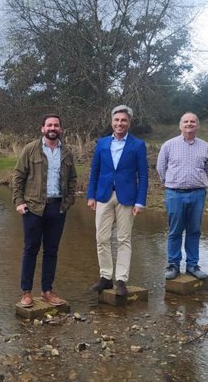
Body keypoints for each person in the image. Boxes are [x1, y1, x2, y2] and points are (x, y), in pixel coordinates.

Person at [13, 114, 77, 307]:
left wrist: (69, 200)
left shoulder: (66, 152)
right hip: (33, 208)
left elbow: (73, 179)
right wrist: (19, 201)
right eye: (49, 125)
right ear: (42, 128)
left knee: (52, 251)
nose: (52, 128)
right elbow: (18, 177)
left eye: (56, 125)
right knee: (30, 250)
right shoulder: (30, 149)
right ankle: (26, 293)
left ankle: (47, 291)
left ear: (60, 129)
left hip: (57, 208)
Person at [87, 105, 149, 296]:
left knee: (124, 239)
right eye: (117, 120)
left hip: (127, 197)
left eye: (123, 120)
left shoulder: (137, 145)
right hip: (103, 195)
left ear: (129, 123)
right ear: (111, 122)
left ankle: (121, 280)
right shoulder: (102, 143)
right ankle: (105, 277)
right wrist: (90, 195)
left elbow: (144, 176)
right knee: (101, 238)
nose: (119, 123)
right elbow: (94, 171)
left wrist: (140, 202)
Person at [156, 112, 208, 280]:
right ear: (180, 125)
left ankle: (192, 265)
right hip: (175, 194)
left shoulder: (205, 146)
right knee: (175, 231)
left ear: (197, 125)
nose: (189, 124)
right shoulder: (169, 145)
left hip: (197, 194)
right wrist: (171, 183)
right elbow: (161, 168)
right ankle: (173, 265)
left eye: (192, 121)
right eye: (186, 121)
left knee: (194, 231)